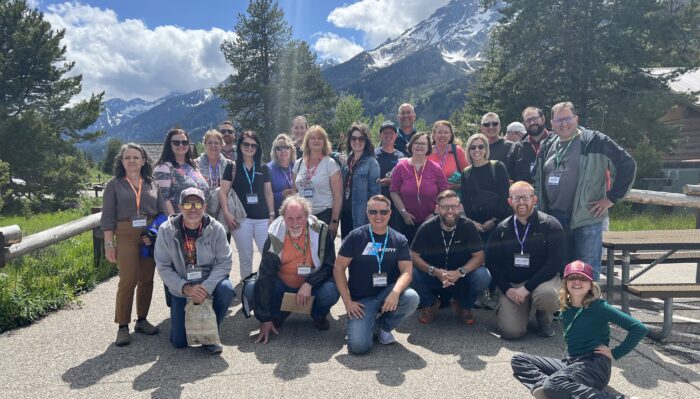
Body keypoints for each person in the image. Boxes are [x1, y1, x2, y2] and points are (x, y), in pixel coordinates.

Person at [511, 260, 649, 399]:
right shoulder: (566, 305)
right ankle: (546, 387)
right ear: (565, 283)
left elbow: (639, 328)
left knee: (554, 384)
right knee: (519, 359)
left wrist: (615, 353)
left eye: (582, 278)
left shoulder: (599, 306)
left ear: (590, 285)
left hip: (594, 365)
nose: (577, 282)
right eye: (572, 278)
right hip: (571, 363)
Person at [535, 102, 636, 281]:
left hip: (586, 218)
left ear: (576, 119)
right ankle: (564, 309)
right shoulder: (547, 144)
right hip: (555, 219)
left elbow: (627, 165)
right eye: (558, 120)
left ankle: (588, 309)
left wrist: (611, 198)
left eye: (568, 118)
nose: (563, 124)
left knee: (586, 272)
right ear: (551, 123)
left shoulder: (595, 141)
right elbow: (538, 178)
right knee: (561, 270)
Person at [244, 195, 340, 343]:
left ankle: (318, 314)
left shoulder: (321, 231)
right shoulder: (274, 235)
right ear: (283, 217)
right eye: (290, 218)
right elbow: (266, 276)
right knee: (252, 288)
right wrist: (265, 319)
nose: (295, 223)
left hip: (312, 284)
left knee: (331, 291)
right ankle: (281, 311)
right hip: (283, 284)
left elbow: (329, 265)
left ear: (307, 216)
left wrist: (309, 283)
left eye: (300, 218)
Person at [334, 195, 419, 355]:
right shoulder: (355, 237)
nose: (378, 216)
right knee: (359, 348)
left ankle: (384, 327)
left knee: (411, 297)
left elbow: (407, 271)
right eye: (373, 212)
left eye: (383, 212)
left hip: (387, 294)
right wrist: (348, 302)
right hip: (362, 300)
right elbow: (338, 268)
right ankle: (367, 323)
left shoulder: (399, 239)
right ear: (367, 213)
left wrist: (395, 293)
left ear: (390, 214)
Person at [101, 143, 168, 346]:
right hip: (126, 233)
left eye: (136, 157)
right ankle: (123, 326)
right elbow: (108, 216)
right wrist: (109, 244)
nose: (132, 160)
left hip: (148, 234)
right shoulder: (114, 184)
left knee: (146, 279)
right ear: (122, 161)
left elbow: (162, 211)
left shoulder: (152, 183)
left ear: (143, 160)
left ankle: (142, 320)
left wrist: (153, 232)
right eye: (127, 157)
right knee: (127, 280)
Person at [154, 187, 235, 354]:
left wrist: (206, 287)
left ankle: (210, 332)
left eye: (198, 204)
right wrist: (185, 287)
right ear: (179, 207)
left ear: (204, 207)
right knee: (180, 343)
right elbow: (163, 266)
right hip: (182, 285)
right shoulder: (165, 230)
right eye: (188, 204)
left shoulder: (216, 228)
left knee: (227, 290)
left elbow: (225, 262)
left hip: (209, 283)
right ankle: (182, 316)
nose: (193, 209)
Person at [486, 181, 567, 339]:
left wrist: (528, 287)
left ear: (534, 200)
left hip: (543, 281)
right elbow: (493, 264)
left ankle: (544, 319)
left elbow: (555, 262)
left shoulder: (550, 225)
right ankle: (509, 310)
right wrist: (507, 289)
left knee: (547, 296)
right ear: (510, 201)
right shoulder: (502, 229)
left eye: (525, 198)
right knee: (511, 333)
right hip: (514, 285)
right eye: (516, 199)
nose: (521, 202)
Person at [410, 190, 491, 325]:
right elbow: (413, 255)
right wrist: (434, 271)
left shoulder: (468, 226)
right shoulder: (427, 227)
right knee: (410, 272)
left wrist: (460, 272)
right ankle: (430, 303)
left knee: (483, 275)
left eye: (454, 206)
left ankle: (464, 306)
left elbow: (480, 256)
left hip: (461, 276)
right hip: (434, 274)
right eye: (445, 207)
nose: (450, 211)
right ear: (437, 208)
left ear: (460, 208)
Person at [461, 133, 511, 309]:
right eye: (473, 147)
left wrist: (494, 220)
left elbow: (506, 196)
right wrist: (472, 222)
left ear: (486, 149)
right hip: (476, 224)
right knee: (477, 257)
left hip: (497, 222)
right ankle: (480, 291)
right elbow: (466, 200)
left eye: (480, 146)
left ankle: (494, 292)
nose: (477, 150)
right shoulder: (466, 173)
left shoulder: (497, 167)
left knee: (495, 258)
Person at [219, 130, 275, 279]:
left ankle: (264, 289)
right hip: (241, 219)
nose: (249, 148)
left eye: (253, 145)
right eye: (246, 144)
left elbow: (268, 192)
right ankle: (247, 295)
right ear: (240, 145)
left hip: (263, 218)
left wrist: (272, 215)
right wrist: (226, 213)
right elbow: (222, 192)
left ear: (257, 148)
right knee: (246, 257)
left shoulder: (263, 168)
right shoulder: (232, 167)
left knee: (268, 255)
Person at [390, 132, 449, 244]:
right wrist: (404, 213)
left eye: (423, 144)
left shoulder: (436, 168)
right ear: (411, 146)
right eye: (416, 143)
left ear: (428, 148)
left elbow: (445, 193)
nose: (419, 146)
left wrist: (435, 214)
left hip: (430, 220)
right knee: (406, 253)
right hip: (406, 221)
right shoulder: (401, 167)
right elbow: (393, 191)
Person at [293, 125, 343, 237]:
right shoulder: (298, 163)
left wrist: (334, 221)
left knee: (323, 253)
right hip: (303, 216)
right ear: (307, 141)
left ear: (324, 142)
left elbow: (338, 195)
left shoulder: (330, 164)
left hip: (324, 215)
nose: (316, 141)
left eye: (320, 138)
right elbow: (294, 192)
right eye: (313, 138)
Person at [154, 128, 209, 215]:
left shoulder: (192, 165)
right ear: (169, 145)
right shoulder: (164, 168)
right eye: (176, 142)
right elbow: (163, 198)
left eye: (184, 142)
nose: (181, 145)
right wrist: (173, 222)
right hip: (180, 220)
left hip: (198, 218)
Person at [340, 122, 380, 238]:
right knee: (346, 250)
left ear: (366, 140)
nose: (357, 142)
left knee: (359, 252)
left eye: (361, 138)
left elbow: (375, 196)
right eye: (353, 138)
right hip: (346, 214)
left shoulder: (372, 163)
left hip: (361, 217)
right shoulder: (347, 161)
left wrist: (371, 220)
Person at [506, 107, 551, 184]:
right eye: (528, 121)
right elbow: (510, 178)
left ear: (543, 118)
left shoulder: (557, 142)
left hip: (553, 195)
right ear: (524, 124)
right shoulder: (517, 148)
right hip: (526, 195)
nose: (532, 122)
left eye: (534, 118)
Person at [375, 120, 405, 230]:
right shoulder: (373, 155)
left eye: (391, 133)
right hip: (377, 201)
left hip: (396, 203)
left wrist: (391, 182)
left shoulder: (401, 157)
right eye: (385, 133)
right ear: (380, 136)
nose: (388, 135)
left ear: (396, 136)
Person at [196, 130, 233, 212]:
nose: (213, 145)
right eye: (209, 142)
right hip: (203, 206)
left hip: (224, 207)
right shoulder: (195, 164)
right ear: (204, 145)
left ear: (221, 145)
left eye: (216, 143)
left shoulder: (230, 165)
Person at [427, 120, 469, 192]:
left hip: (453, 198)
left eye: (446, 133)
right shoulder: (427, 152)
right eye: (439, 132)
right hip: (432, 197)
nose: (442, 135)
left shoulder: (457, 151)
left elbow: (469, 176)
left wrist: (457, 185)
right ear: (434, 135)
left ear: (450, 136)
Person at [267, 134, 297, 217]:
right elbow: (264, 194)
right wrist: (281, 195)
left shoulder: (298, 166)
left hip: (297, 212)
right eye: (279, 148)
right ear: (275, 151)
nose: (283, 151)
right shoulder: (268, 169)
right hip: (278, 213)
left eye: (286, 147)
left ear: (291, 150)